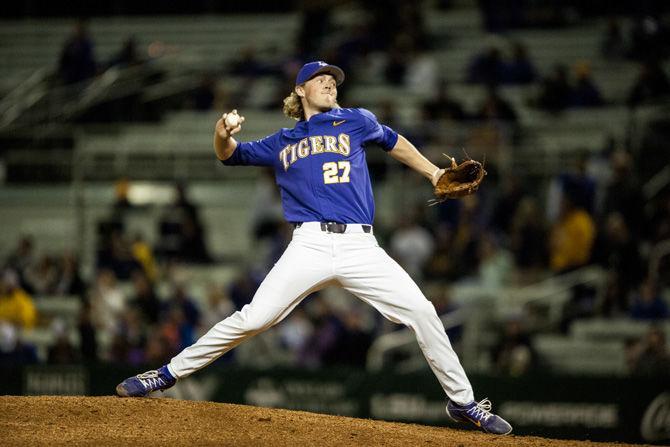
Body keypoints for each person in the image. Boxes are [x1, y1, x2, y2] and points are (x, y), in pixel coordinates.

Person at [116, 61, 512, 435]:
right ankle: (166, 374)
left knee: (423, 312)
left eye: (333, 79)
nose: (330, 82)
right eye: (320, 78)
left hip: (361, 245)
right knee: (254, 319)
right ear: (300, 90)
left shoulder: (356, 120)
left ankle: (463, 402)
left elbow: (394, 142)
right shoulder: (283, 140)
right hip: (309, 244)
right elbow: (229, 155)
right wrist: (223, 131)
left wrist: (434, 172)